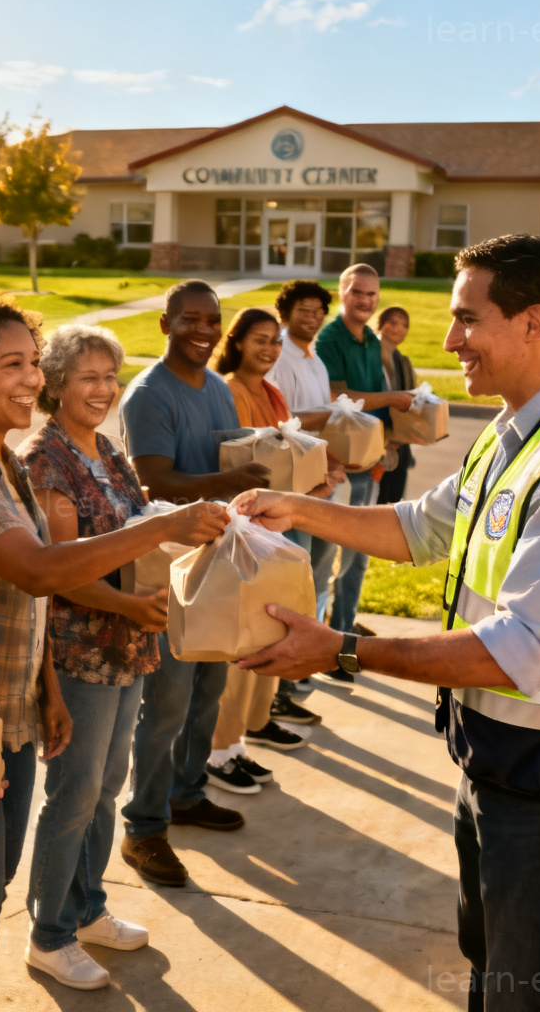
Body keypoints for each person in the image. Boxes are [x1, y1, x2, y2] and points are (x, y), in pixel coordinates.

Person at [237, 234, 540, 1012]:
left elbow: (518, 653)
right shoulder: (518, 431)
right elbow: (420, 529)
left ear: (533, 322)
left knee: (526, 990)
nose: (448, 339)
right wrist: (297, 506)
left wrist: (342, 651)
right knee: (493, 969)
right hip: (502, 764)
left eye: (468, 318)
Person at [0, 290, 227, 1012]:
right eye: (12, 364)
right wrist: (172, 524)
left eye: (34, 363)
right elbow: (41, 568)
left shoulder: (0, 463)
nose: (31, 380)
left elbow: (29, 599)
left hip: (7, 709)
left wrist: (45, 690)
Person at [19, 324, 164, 990]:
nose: (103, 389)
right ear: (54, 384)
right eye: (88, 377)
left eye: (110, 376)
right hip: (81, 653)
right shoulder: (45, 460)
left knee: (106, 788)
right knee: (74, 794)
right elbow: (62, 572)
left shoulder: (107, 449)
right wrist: (131, 606)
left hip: (128, 646)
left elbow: (136, 529)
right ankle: (48, 933)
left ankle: (87, 909)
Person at [117, 280, 271, 888]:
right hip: (168, 568)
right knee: (166, 705)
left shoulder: (215, 389)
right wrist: (232, 477)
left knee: (209, 687)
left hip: (218, 559)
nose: (203, 330)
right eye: (190, 320)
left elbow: (231, 458)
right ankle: (143, 825)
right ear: (165, 325)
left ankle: (186, 792)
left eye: (212, 320)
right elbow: (154, 480)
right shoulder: (148, 395)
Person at [206, 307, 317, 798]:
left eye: (275, 341)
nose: (270, 349)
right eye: (259, 340)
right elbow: (240, 458)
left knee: (268, 630)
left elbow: (286, 453)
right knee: (241, 640)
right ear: (236, 341)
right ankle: (219, 750)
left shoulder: (271, 392)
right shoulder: (227, 389)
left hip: (272, 531)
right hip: (240, 535)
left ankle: (247, 732)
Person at [314, 265, 413, 654]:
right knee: (323, 562)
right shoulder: (330, 338)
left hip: (368, 466)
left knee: (357, 558)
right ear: (342, 293)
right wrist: (390, 399)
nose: (365, 301)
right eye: (357, 292)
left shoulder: (372, 340)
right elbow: (338, 395)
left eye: (372, 295)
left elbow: (377, 402)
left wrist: (388, 446)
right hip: (339, 467)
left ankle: (344, 634)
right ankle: (321, 644)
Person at [266, 280, 348, 691]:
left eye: (318, 311)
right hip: (293, 485)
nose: (312, 317)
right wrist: (327, 417)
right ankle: (284, 676)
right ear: (286, 312)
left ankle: (304, 660)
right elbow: (284, 423)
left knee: (315, 574)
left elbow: (322, 425)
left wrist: (332, 464)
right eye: (304, 310)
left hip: (320, 480)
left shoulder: (314, 357)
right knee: (293, 580)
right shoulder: (278, 355)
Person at [376, 306, 417, 505]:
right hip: (376, 441)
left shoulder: (402, 361)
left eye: (404, 325)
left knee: (393, 500)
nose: (399, 328)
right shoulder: (370, 357)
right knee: (375, 502)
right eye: (393, 322)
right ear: (381, 325)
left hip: (399, 443)